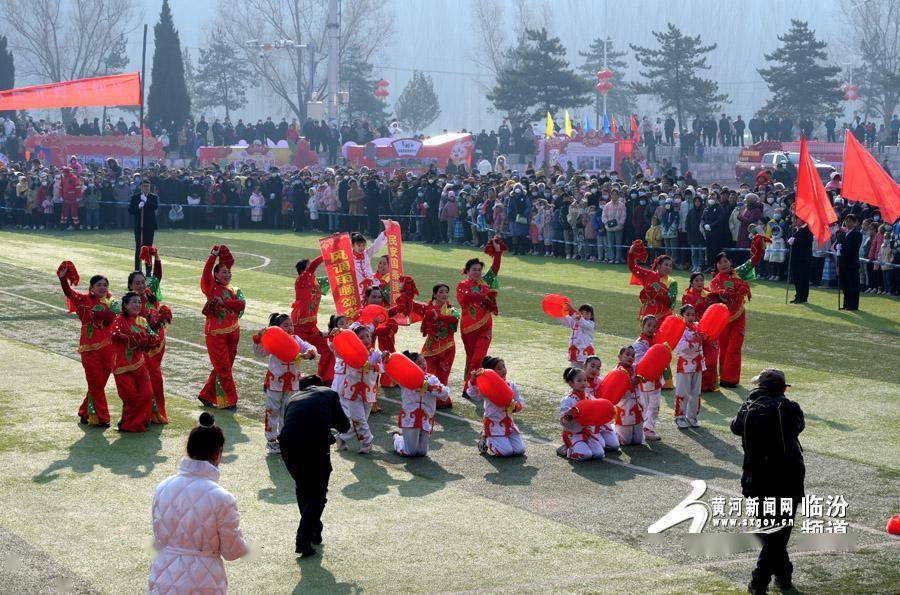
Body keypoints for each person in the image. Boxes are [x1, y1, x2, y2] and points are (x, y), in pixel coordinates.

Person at [149, 413, 249, 592]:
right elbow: (232, 551)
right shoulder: (222, 498)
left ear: (189, 449)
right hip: (204, 579)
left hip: (163, 574)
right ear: (218, 453)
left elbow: (158, 536)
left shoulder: (162, 487)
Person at [730, 369, 805, 594]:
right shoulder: (789, 408)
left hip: (755, 478)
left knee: (771, 532)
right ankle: (760, 581)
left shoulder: (749, 407)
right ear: (782, 388)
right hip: (787, 478)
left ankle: (783, 575)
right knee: (778, 534)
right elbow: (798, 427)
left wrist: (751, 401)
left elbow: (735, 427)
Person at [279, 376, 350, 557]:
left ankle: (314, 531)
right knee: (317, 495)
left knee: (303, 489)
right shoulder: (329, 394)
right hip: (315, 447)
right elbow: (344, 425)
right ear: (320, 385)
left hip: (288, 447)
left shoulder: (292, 399)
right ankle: (303, 539)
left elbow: (294, 424)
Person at [57, 262, 116, 427]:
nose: (102, 287)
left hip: (108, 349)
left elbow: (116, 318)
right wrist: (63, 279)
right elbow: (69, 292)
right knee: (95, 383)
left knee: (99, 384)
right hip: (89, 349)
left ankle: (84, 411)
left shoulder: (112, 302)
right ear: (91, 288)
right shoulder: (83, 300)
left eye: (105, 285)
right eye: (99, 285)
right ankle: (103, 417)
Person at [252, 313, 317, 454]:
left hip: (292, 383)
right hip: (275, 383)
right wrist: (258, 339)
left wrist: (310, 353)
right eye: (286, 325)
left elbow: (310, 347)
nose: (290, 328)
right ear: (277, 328)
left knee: (287, 411)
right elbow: (259, 353)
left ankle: (284, 437)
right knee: (272, 411)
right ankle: (271, 440)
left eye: (291, 325)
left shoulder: (296, 339)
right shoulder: (273, 342)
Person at [707, 234, 767, 387]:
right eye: (720, 262)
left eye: (726, 261)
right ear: (716, 266)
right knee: (724, 348)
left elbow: (754, 260)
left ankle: (730, 379)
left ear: (731, 262)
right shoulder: (714, 282)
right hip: (722, 319)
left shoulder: (738, 273)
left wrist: (759, 248)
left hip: (738, 316)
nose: (723, 265)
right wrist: (726, 293)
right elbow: (715, 294)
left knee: (734, 348)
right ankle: (723, 376)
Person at [127, 249, 172, 424]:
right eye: (136, 283)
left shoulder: (149, 292)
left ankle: (155, 411)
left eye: (142, 282)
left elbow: (157, 276)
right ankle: (150, 412)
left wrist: (156, 257)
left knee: (154, 376)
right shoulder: (130, 302)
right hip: (144, 346)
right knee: (152, 378)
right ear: (130, 286)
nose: (140, 285)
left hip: (159, 343)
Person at [397, 281, 458, 406]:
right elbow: (412, 304)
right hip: (430, 349)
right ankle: (422, 398)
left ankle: (441, 400)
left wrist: (438, 317)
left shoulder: (453, 311)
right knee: (426, 374)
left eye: (446, 292)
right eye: (441, 292)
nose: (444, 294)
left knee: (443, 376)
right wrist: (406, 291)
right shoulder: (427, 309)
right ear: (435, 295)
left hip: (447, 349)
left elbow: (454, 320)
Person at [199, 245, 245, 409]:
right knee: (224, 368)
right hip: (216, 335)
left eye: (229, 272)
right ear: (216, 274)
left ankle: (206, 395)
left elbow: (241, 305)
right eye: (224, 272)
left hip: (234, 332)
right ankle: (231, 399)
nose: (227, 275)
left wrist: (224, 302)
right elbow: (206, 273)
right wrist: (213, 256)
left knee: (223, 367)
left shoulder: (234, 290)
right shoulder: (210, 287)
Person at [457, 237, 504, 396]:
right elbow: (465, 299)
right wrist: (484, 296)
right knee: (472, 358)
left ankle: (468, 388)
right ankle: (472, 385)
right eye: (474, 269)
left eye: (479, 270)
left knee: (478, 358)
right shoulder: (462, 286)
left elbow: (495, 268)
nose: (477, 272)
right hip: (468, 328)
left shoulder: (486, 282)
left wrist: (497, 251)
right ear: (467, 271)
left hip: (485, 327)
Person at [109, 292, 158, 432]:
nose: (138, 305)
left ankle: (138, 422)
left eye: (139, 302)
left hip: (139, 365)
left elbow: (153, 336)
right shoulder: (119, 319)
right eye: (134, 302)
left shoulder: (142, 321)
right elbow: (114, 334)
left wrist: (150, 340)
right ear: (125, 305)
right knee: (130, 397)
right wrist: (133, 338)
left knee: (147, 393)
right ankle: (128, 424)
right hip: (122, 366)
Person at [390, 351, 449, 457]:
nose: (423, 365)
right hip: (410, 419)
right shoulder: (405, 379)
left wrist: (431, 388)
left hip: (426, 419)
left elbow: (445, 394)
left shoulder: (432, 379)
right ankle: (397, 439)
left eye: (423, 361)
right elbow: (390, 372)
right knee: (410, 452)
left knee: (422, 452)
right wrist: (386, 360)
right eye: (419, 363)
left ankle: (406, 440)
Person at [336, 324, 383, 454]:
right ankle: (367, 442)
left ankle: (341, 438)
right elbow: (337, 352)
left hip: (369, 394)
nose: (366, 339)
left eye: (368, 336)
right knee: (359, 419)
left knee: (359, 422)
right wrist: (337, 336)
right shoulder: (350, 352)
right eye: (361, 337)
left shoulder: (376, 353)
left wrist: (381, 361)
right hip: (352, 392)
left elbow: (384, 367)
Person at [465, 356, 526, 457]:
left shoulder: (511, 385)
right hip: (494, 424)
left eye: (504, 367)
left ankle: (501, 440)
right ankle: (486, 437)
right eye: (499, 368)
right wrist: (473, 380)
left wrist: (515, 407)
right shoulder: (486, 387)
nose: (503, 370)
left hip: (508, 423)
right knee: (506, 452)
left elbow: (519, 401)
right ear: (491, 373)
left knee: (520, 450)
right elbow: (474, 395)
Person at [290, 256, 332, 381]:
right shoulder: (301, 280)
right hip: (298, 326)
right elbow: (313, 266)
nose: (312, 269)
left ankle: (323, 378)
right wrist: (326, 255)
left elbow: (334, 280)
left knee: (328, 349)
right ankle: (290, 379)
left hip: (312, 327)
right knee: (291, 352)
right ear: (303, 270)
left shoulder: (316, 281)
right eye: (309, 266)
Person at [558, 367, 606, 461]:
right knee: (585, 455)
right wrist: (568, 416)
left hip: (587, 432)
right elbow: (563, 421)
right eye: (579, 380)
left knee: (599, 454)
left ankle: (580, 446)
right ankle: (566, 450)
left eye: (585, 380)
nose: (583, 383)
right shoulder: (568, 400)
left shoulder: (589, 397)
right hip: (573, 434)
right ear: (571, 383)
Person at [682, 272, 718, 392]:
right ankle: (699, 385)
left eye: (701, 280)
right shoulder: (687, 297)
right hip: (695, 332)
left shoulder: (710, 294)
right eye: (696, 280)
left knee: (712, 360)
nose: (699, 282)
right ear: (691, 283)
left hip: (711, 331)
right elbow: (686, 315)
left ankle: (710, 384)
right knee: (697, 359)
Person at [673, 304, 705, 428]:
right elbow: (681, 347)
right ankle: (680, 417)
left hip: (698, 365)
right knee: (683, 392)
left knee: (696, 393)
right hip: (685, 365)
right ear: (682, 316)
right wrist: (694, 340)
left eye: (693, 314)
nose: (691, 317)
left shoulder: (698, 327)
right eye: (688, 314)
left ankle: (692, 417)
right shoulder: (678, 328)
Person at [632, 315, 662, 441]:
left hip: (656, 378)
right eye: (648, 325)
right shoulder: (639, 343)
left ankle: (647, 427)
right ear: (642, 326)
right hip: (645, 379)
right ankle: (646, 428)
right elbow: (639, 362)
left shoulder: (656, 340)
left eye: (654, 326)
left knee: (654, 405)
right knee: (648, 405)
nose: (651, 328)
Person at [612, 346, 644, 446]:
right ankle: (612, 429)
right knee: (625, 442)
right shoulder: (616, 372)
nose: (630, 357)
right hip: (624, 406)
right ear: (619, 357)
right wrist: (631, 383)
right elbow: (617, 391)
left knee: (638, 441)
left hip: (637, 405)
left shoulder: (636, 368)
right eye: (627, 354)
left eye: (633, 356)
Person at [129, 179, 158, 271]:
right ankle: (137, 269)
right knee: (139, 247)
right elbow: (131, 210)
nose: (146, 188)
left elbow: (155, 207)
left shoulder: (153, 197)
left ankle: (148, 270)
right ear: (141, 187)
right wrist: (138, 206)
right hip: (139, 226)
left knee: (148, 248)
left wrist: (146, 201)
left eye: (148, 186)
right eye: (144, 186)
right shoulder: (135, 197)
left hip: (150, 226)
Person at [836, 214, 862, 311]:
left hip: (852, 263)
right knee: (845, 284)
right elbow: (838, 243)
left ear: (855, 223)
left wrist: (842, 250)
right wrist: (837, 247)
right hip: (843, 263)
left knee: (853, 285)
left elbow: (853, 248)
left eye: (850, 221)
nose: (848, 223)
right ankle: (846, 303)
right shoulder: (843, 234)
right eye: (846, 221)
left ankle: (853, 305)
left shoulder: (857, 234)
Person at [788, 216, 814, 304]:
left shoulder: (807, 229)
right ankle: (798, 296)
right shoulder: (796, 229)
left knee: (803, 278)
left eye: (797, 219)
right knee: (797, 278)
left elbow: (808, 242)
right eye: (794, 219)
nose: (795, 221)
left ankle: (803, 297)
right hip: (796, 258)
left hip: (804, 258)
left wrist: (796, 240)